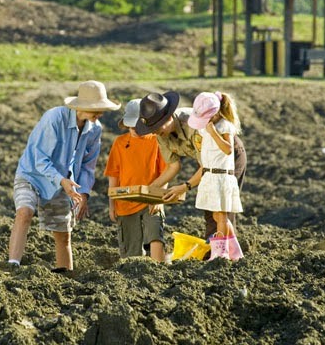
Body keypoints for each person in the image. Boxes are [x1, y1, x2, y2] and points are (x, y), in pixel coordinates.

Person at [7, 80, 120, 272]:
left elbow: (88, 166)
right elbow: (39, 158)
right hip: (32, 174)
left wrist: (84, 193)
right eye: (97, 109)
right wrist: (62, 180)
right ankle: (12, 265)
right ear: (82, 107)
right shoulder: (54, 118)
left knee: (63, 232)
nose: (100, 114)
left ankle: (65, 275)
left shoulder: (95, 129)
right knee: (24, 212)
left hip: (62, 181)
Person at [134, 91, 246, 242]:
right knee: (212, 206)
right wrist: (152, 193)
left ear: (168, 118)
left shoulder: (193, 125)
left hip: (225, 156)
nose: (154, 132)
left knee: (218, 207)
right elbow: (173, 166)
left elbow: (207, 166)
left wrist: (185, 186)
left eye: (156, 127)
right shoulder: (161, 134)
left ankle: (220, 254)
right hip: (206, 162)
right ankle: (226, 249)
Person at [164, 92, 244, 261]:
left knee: (220, 215)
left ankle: (220, 253)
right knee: (215, 214)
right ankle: (234, 249)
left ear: (215, 114)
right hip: (210, 171)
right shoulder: (204, 127)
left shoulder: (223, 126)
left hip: (222, 171)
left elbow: (228, 149)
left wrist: (213, 132)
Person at [104, 99, 168, 262]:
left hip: (151, 201)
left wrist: (158, 198)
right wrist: (112, 204)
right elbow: (114, 175)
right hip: (125, 202)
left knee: (155, 236)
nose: (133, 129)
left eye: (137, 126)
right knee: (130, 253)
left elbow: (165, 173)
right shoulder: (119, 143)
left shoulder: (157, 141)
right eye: (130, 126)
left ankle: (159, 271)